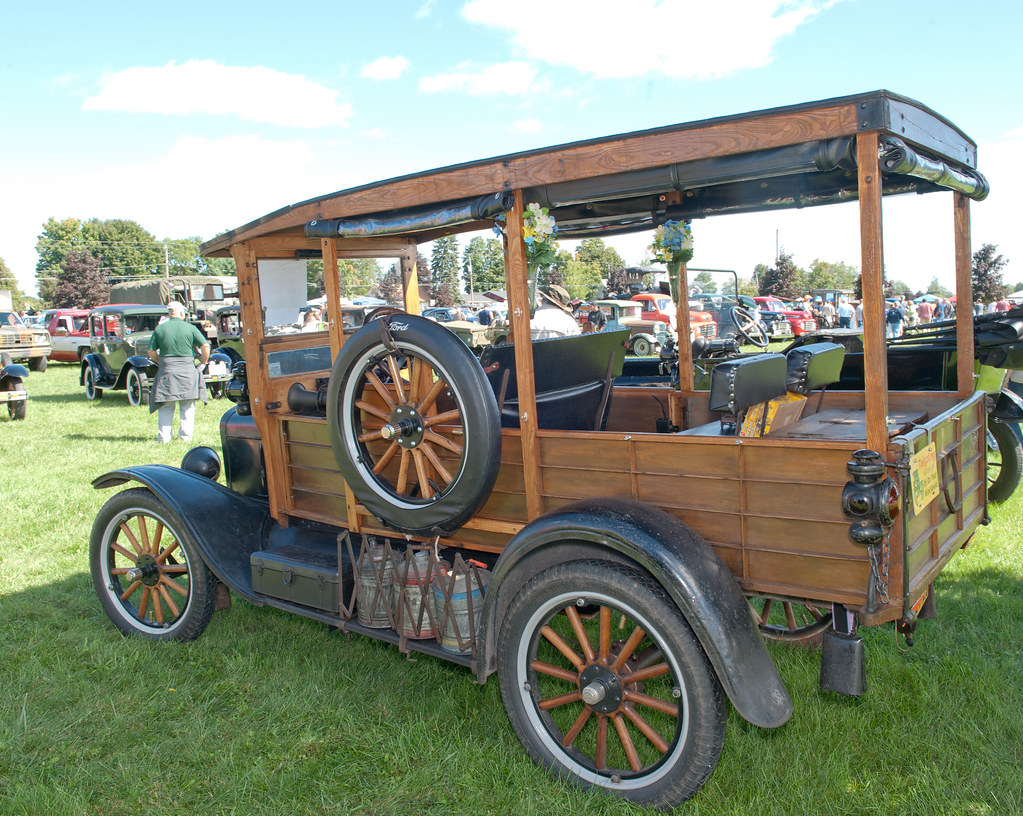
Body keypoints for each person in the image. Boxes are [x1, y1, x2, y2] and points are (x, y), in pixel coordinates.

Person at [148, 301, 210, 443]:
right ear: (182, 313)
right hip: (187, 371)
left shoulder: (160, 329)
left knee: (165, 405)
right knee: (187, 406)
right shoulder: (190, 328)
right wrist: (203, 362)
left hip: (167, 371)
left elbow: (151, 350)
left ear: (169, 314)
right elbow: (205, 346)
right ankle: (186, 437)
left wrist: (160, 362)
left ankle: (164, 438)